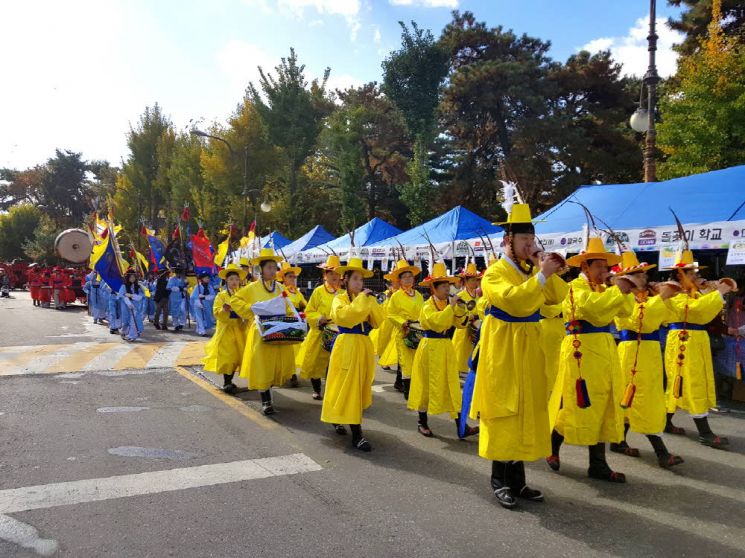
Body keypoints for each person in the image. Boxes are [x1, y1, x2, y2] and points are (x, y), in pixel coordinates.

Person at [471, 195, 568, 509]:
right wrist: (541, 275)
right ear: (508, 240)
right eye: (524, 239)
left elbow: (556, 300)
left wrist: (546, 270)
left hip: (528, 345)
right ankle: (499, 481)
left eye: (532, 239)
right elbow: (515, 301)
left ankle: (519, 481)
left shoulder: (530, 270)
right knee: (504, 410)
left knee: (527, 409)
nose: (530, 244)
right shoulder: (494, 273)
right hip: (504, 347)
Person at [548, 236, 639, 484]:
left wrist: (620, 289)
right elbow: (592, 309)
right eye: (599, 266)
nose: (604, 271)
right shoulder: (575, 288)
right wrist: (616, 289)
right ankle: (552, 445)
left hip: (604, 350)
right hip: (581, 352)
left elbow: (627, 311)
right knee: (578, 403)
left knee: (605, 404)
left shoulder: (603, 289)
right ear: (585, 267)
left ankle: (598, 463)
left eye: (606, 266)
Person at [610, 250, 684, 468]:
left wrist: (666, 297)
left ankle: (618, 440)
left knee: (635, 397)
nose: (644, 278)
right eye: (640, 275)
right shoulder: (622, 298)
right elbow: (637, 321)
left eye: (643, 274)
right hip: (634, 351)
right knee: (643, 398)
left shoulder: (646, 297)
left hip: (648, 352)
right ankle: (661, 452)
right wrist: (661, 297)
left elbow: (670, 317)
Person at [662, 249, 733, 448]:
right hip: (684, 340)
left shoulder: (693, 293)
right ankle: (705, 432)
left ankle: (666, 421)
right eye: (692, 273)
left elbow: (705, 311)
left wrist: (710, 291)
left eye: (695, 273)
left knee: (682, 381)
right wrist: (717, 293)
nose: (696, 276)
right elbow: (694, 311)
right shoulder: (672, 293)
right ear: (679, 275)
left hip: (695, 339)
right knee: (693, 381)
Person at [321, 257, 384, 451]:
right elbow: (346, 318)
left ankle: (339, 417)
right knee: (347, 386)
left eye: (361, 279)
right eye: (355, 279)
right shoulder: (339, 299)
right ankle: (357, 435)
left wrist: (370, 301)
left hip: (364, 344)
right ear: (345, 280)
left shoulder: (366, 298)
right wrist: (364, 300)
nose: (359, 283)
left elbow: (379, 320)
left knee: (359, 385)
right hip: (347, 343)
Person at [409, 262, 478, 438]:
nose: (448, 289)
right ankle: (421, 422)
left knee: (452, 385)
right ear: (434, 288)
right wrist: (451, 307)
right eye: (444, 286)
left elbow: (460, 325)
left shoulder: (449, 303)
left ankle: (461, 426)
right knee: (425, 385)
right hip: (430, 347)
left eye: (449, 286)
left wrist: (462, 312)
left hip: (446, 347)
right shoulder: (427, 305)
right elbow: (437, 323)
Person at [231, 248, 297, 415]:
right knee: (262, 366)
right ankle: (266, 401)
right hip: (261, 332)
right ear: (261, 269)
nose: (273, 271)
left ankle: (269, 390)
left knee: (276, 367)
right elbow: (235, 300)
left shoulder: (280, 287)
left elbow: (288, 306)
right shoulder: (252, 288)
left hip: (278, 330)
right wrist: (251, 309)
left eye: (275, 268)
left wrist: (292, 317)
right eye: (269, 268)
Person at [296, 255, 341, 400]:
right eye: (331, 273)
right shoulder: (319, 291)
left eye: (337, 273)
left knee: (333, 364)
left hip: (338, 334)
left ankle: (331, 391)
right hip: (320, 332)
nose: (334, 276)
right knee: (315, 363)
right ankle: (316, 389)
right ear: (325, 275)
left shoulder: (343, 293)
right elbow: (309, 311)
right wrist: (318, 318)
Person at [203, 263, 247, 394]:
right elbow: (216, 312)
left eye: (236, 279)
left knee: (237, 356)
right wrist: (224, 309)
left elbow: (247, 308)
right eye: (231, 279)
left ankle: (230, 380)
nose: (234, 282)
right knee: (228, 356)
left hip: (240, 329)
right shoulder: (221, 296)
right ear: (226, 281)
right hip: (226, 330)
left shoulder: (242, 294)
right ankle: (227, 382)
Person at [384, 259, 424, 399]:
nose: (408, 279)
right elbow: (391, 314)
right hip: (404, 332)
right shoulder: (396, 296)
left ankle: (402, 383)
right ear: (399, 280)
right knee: (406, 362)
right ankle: (408, 391)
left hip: (417, 332)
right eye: (404, 277)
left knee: (416, 360)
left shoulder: (418, 295)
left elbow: (423, 312)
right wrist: (403, 323)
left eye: (410, 276)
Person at [277, 260, 309, 390]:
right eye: (290, 276)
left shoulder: (297, 292)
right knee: (286, 350)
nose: (292, 279)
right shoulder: (281, 290)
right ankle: (287, 374)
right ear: (283, 278)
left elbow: (305, 305)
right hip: (285, 322)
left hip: (296, 323)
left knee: (295, 350)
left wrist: (303, 311)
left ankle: (291, 373)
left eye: (294, 277)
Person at [452, 262, 482, 374]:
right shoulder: (460, 296)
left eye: (476, 280)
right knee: (460, 352)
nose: (475, 283)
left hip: (475, 327)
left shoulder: (478, 295)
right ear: (465, 281)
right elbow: (456, 313)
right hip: (463, 328)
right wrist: (469, 317)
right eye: (472, 280)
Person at [373, 274, 399, 371]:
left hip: (397, 322)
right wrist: (388, 298)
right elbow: (378, 307)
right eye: (391, 283)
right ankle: (383, 359)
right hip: (385, 322)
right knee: (384, 340)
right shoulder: (384, 295)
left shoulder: (401, 294)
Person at [119, 269, 145, 342]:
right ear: (128, 278)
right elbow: (122, 296)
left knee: (133, 321)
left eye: (134, 277)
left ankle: (132, 335)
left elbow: (141, 296)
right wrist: (128, 302)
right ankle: (123, 332)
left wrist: (132, 296)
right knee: (126, 322)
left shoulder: (138, 286)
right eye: (131, 277)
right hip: (126, 307)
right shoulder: (124, 286)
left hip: (135, 307)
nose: (132, 279)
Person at [191, 272, 217, 337]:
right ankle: (202, 331)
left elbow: (213, 295)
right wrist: (198, 303)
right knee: (200, 318)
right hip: (198, 305)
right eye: (206, 278)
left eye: (208, 278)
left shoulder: (209, 286)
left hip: (207, 305)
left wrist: (205, 297)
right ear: (202, 279)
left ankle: (199, 329)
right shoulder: (197, 287)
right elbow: (193, 297)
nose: (207, 279)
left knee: (207, 317)